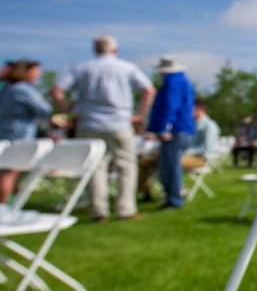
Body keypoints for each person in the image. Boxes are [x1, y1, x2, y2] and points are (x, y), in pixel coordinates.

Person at [53, 35, 155, 221]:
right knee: (126, 166)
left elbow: (57, 90)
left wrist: (67, 112)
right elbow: (148, 90)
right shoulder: (126, 67)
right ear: (115, 50)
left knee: (95, 167)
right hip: (119, 123)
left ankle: (98, 211)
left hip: (89, 123)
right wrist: (139, 115)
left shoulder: (81, 67)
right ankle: (125, 209)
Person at [139, 97, 220, 200]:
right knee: (145, 162)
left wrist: (182, 152)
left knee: (171, 160)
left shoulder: (209, 126)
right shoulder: (190, 124)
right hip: (184, 155)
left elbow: (206, 149)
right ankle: (146, 192)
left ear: (199, 108)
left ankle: (176, 190)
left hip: (200, 159)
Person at [0, 59, 52, 204]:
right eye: (36, 72)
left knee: (7, 170)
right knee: (10, 171)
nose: (38, 76)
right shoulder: (23, 89)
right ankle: (3, 207)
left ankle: (9, 203)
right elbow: (44, 109)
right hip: (19, 133)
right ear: (25, 72)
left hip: (5, 130)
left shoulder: (7, 88)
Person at [146, 55, 195, 209]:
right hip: (180, 129)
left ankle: (174, 198)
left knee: (170, 166)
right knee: (168, 165)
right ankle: (171, 196)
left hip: (175, 130)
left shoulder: (173, 82)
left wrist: (163, 127)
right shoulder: (182, 81)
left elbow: (170, 105)